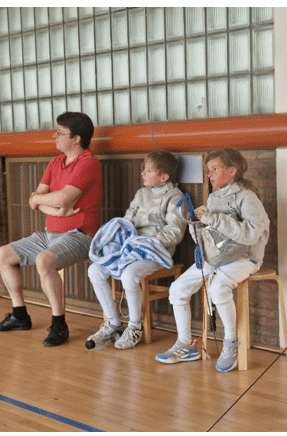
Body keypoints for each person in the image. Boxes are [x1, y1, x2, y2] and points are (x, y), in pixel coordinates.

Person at [0, 112, 101, 347]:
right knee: (2, 255)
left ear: (76, 139)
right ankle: (20, 316)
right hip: (49, 234)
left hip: (81, 235)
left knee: (44, 261)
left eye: (60, 133)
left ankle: (59, 324)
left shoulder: (89, 163)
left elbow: (58, 198)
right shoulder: (55, 162)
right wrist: (57, 210)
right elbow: (34, 200)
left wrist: (47, 202)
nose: (55, 136)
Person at [157, 148, 267, 373]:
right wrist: (194, 223)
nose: (210, 175)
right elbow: (209, 235)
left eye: (215, 169)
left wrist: (213, 219)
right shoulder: (214, 197)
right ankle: (186, 344)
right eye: (209, 171)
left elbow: (251, 235)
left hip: (245, 258)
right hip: (216, 257)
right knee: (177, 289)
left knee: (218, 289)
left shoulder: (247, 197)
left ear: (232, 170)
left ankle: (230, 343)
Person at [85, 151, 186, 350]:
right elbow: (128, 221)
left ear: (164, 177)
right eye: (144, 169)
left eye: (148, 170)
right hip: (130, 249)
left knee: (129, 274)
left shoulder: (176, 197)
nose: (143, 174)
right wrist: (118, 235)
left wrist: (144, 243)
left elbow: (175, 234)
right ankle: (113, 324)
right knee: (95, 270)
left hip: (156, 252)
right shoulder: (141, 193)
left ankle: (134, 327)